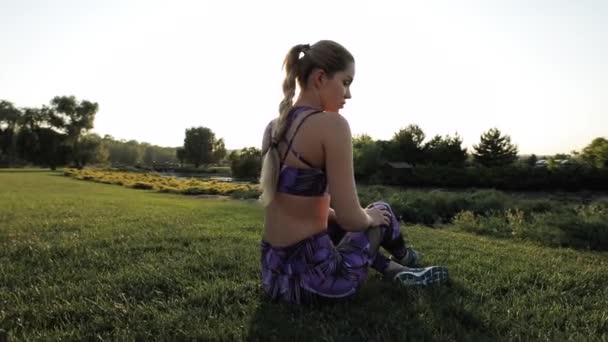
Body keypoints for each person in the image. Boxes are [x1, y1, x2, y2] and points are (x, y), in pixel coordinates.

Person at [258, 40, 448, 305]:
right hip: (318, 284)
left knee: (336, 221)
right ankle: (407, 259)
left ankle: (398, 270)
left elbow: (295, 207)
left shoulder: (273, 127)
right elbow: (351, 219)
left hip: (275, 279)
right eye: (346, 82)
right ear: (321, 77)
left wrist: (342, 217)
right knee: (381, 210)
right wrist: (368, 217)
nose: (348, 95)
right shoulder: (332, 125)